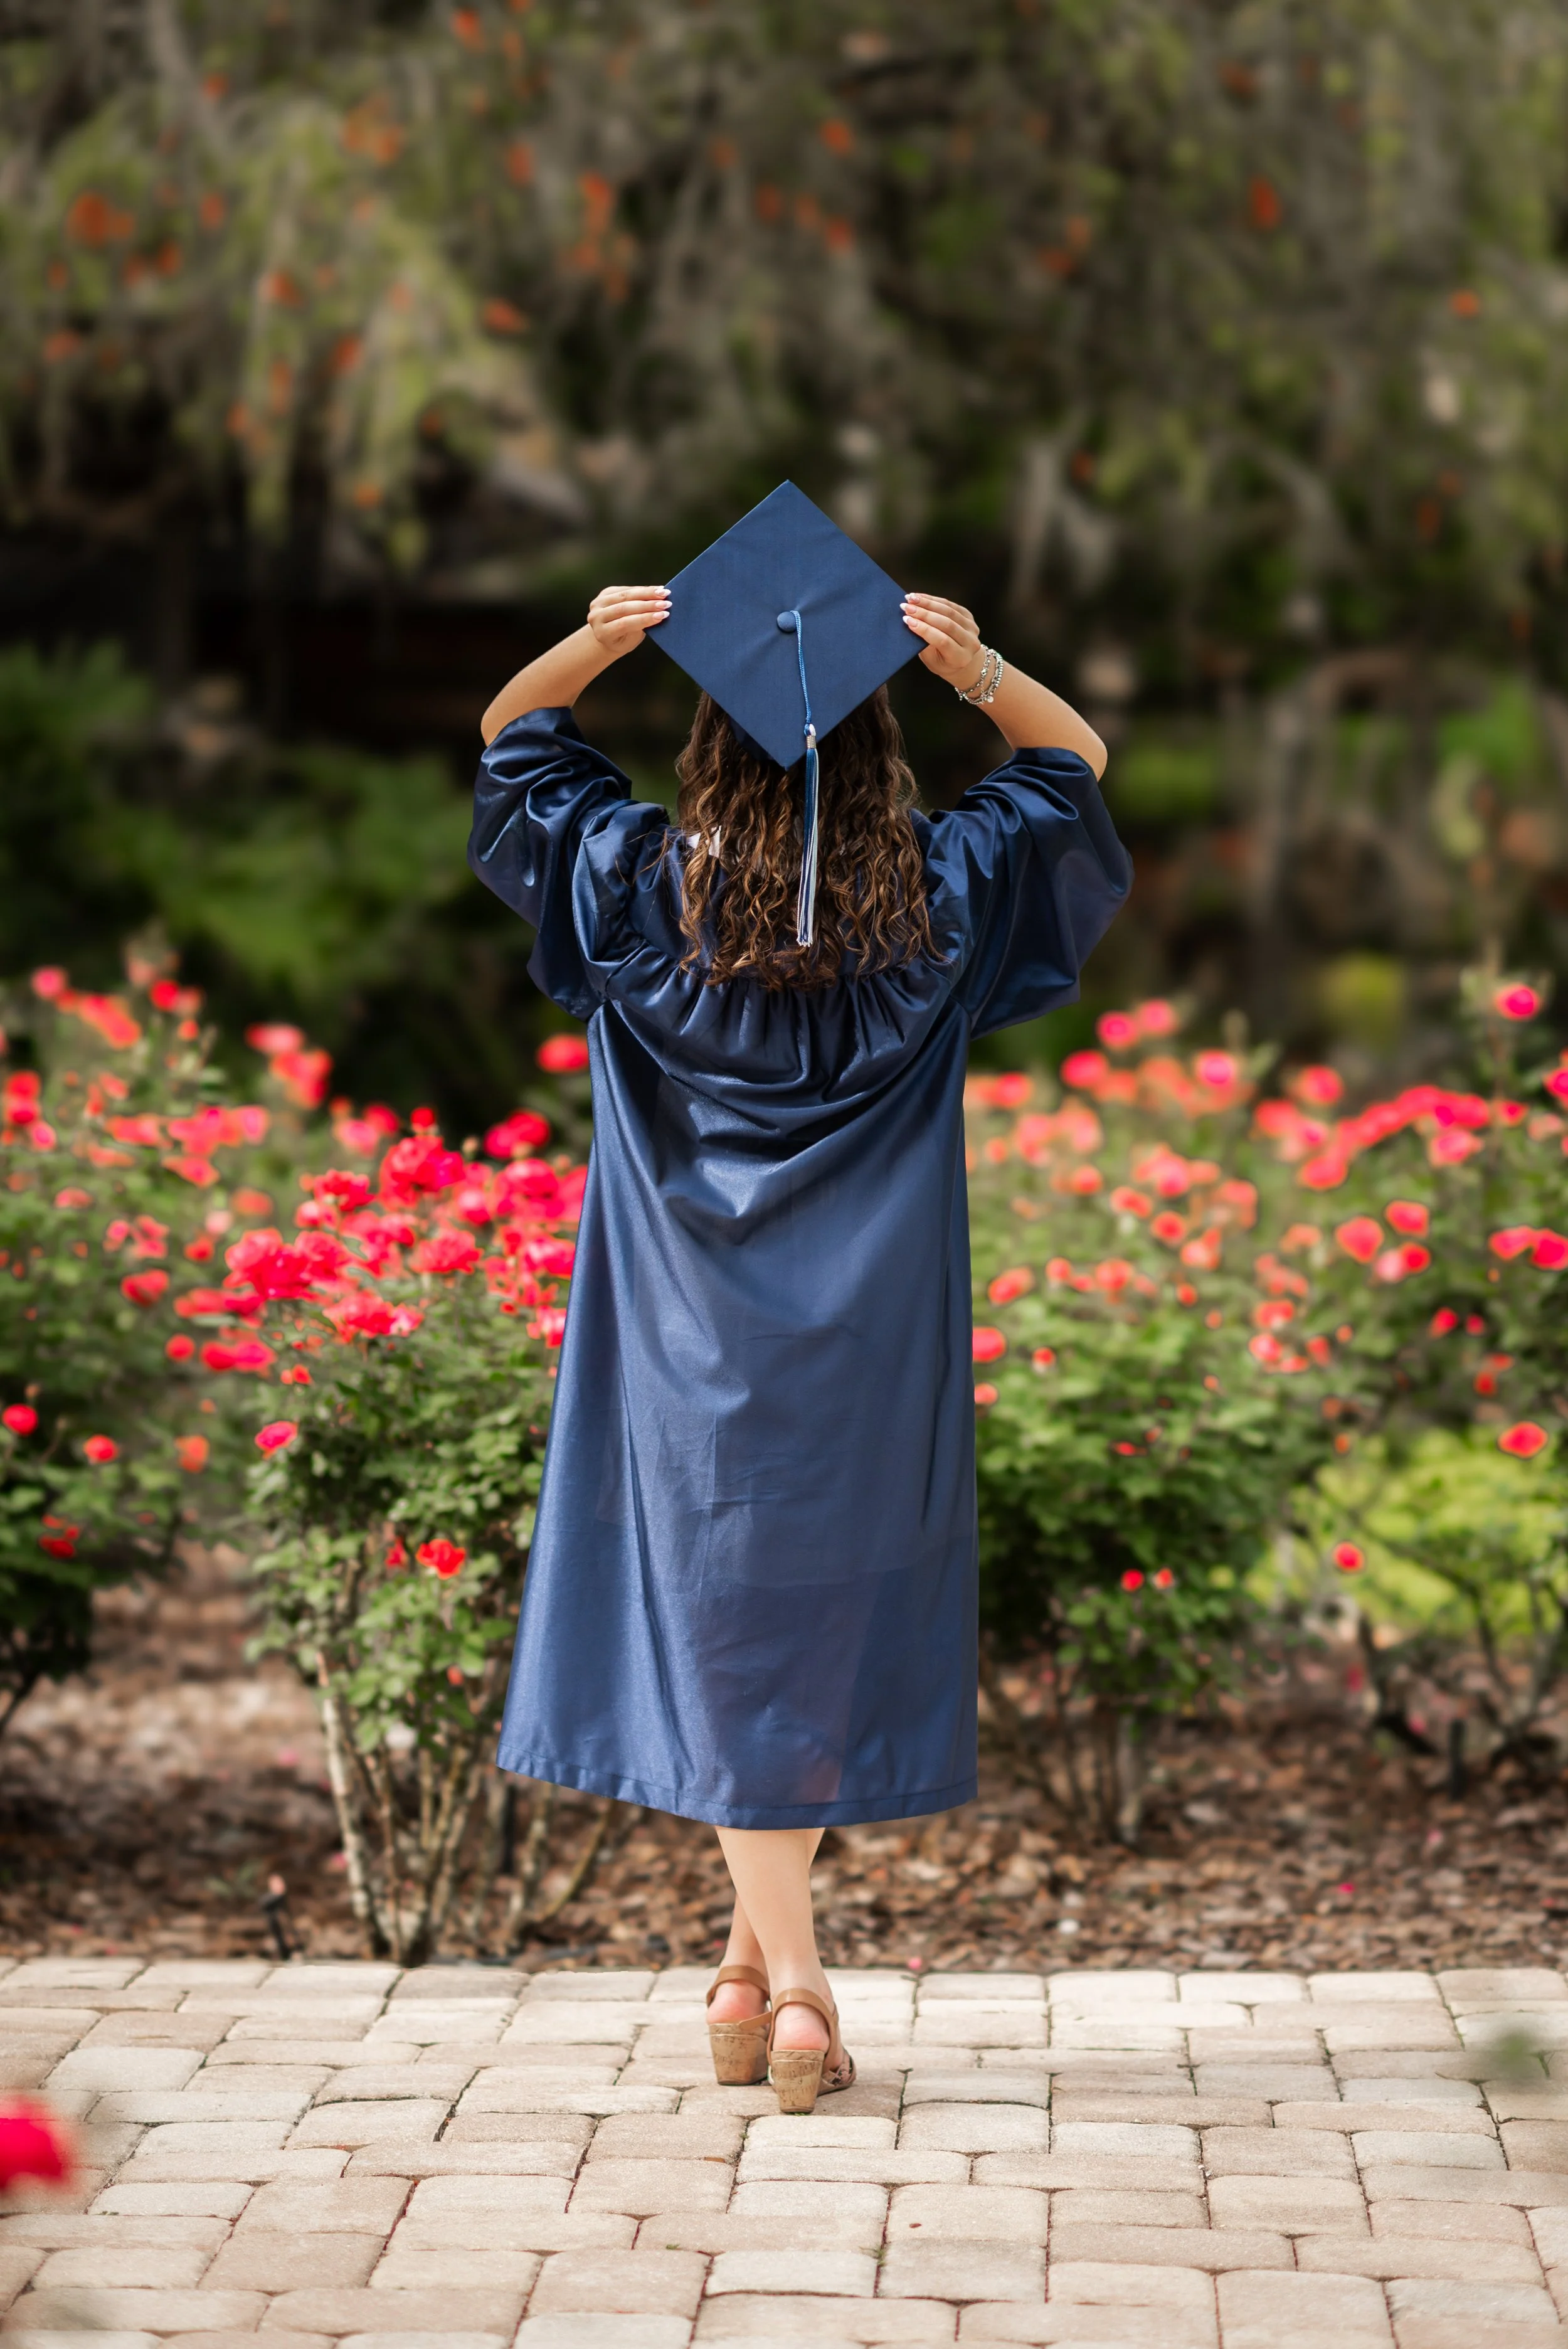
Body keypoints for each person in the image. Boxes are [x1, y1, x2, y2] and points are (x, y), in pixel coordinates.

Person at [470, 493, 1130, 2113]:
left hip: (684, 1335)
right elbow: (1075, 771)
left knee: (722, 1624)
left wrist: (597, 641)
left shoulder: (635, 888)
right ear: (882, 757)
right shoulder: (939, 901)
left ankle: (769, 1975)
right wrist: (976, 670)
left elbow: (510, 745)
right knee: (792, 1638)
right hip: (868, 1337)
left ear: (706, 754)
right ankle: (785, 1982)